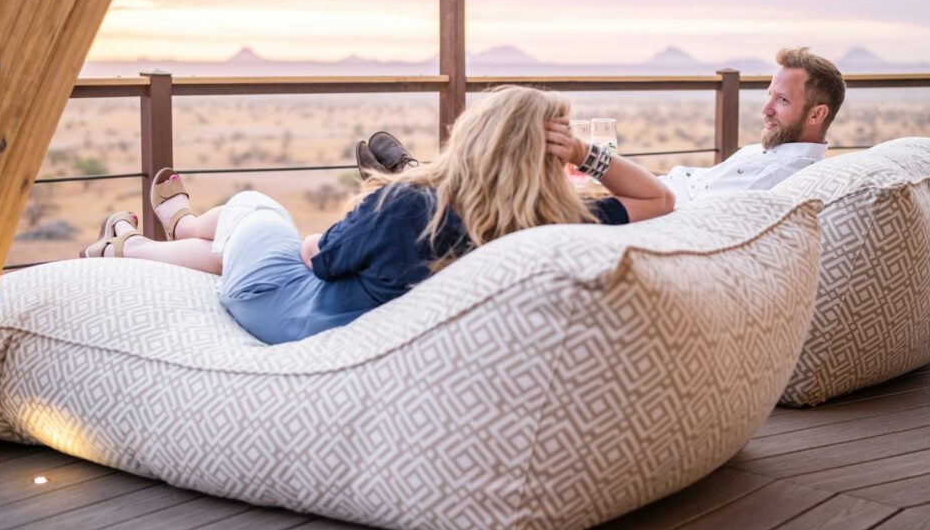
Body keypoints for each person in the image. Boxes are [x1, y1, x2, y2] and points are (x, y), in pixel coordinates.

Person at [80, 86, 674, 344]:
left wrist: (337, 231)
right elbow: (658, 200)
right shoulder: (552, 223)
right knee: (249, 242)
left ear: (473, 139)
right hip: (355, 316)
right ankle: (131, 241)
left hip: (289, 311)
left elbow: (316, 262)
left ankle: (155, 235)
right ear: (550, 154)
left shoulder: (412, 206)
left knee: (258, 210)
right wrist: (583, 155)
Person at [660, 47, 846, 207]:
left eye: (783, 100)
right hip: (665, 189)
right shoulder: (770, 152)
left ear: (816, 115)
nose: (766, 109)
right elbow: (696, 182)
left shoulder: (779, 175)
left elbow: (688, 213)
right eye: (769, 95)